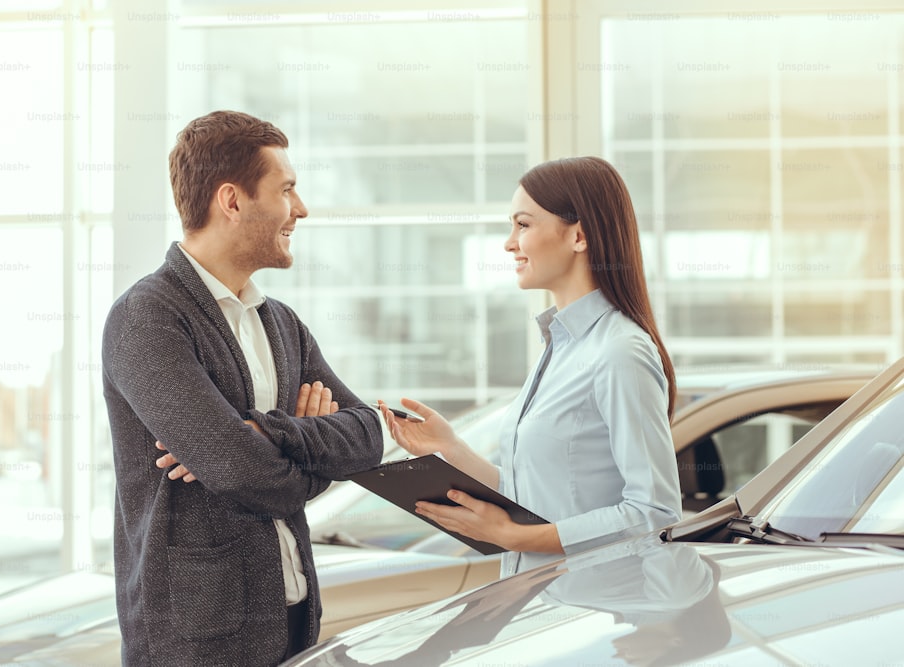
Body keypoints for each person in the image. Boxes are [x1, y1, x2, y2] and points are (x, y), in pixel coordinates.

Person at [102, 110, 385, 666]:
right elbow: (240, 472)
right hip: (196, 639)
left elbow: (369, 435)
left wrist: (267, 431)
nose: (300, 209)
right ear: (231, 201)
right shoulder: (147, 318)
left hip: (293, 617)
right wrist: (299, 445)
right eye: (286, 190)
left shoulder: (279, 322)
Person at [380, 156, 682, 576]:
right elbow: (542, 496)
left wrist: (514, 537)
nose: (508, 243)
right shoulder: (557, 346)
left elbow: (654, 511)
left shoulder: (620, 352)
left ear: (579, 235)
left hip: (591, 610)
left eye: (523, 225)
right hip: (537, 605)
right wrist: (451, 450)